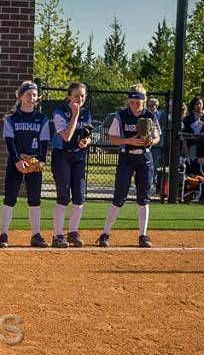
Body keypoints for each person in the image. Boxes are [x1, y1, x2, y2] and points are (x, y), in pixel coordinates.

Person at [97, 83, 160, 248]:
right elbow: (112, 137)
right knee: (119, 197)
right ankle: (105, 234)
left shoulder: (150, 116)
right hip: (126, 157)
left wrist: (150, 141)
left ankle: (143, 235)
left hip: (145, 158)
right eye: (132, 102)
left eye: (138, 102)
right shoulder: (121, 116)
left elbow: (157, 137)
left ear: (144, 101)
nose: (134, 105)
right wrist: (128, 141)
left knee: (143, 198)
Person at [0, 81, 50, 248]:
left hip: (34, 161)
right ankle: (4, 234)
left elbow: (44, 141)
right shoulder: (12, 118)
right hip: (16, 162)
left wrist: (41, 161)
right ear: (20, 97)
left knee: (34, 199)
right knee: (10, 198)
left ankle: (35, 234)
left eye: (34, 95)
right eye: (28, 95)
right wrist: (16, 161)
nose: (32, 98)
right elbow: (9, 141)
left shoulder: (41, 118)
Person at [50, 81, 93, 247]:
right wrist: (75, 115)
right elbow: (66, 137)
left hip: (78, 156)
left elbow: (86, 134)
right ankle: (58, 235)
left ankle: (73, 232)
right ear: (69, 96)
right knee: (63, 196)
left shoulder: (86, 113)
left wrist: (86, 141)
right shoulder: (60, 112)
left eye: (82, 96)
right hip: (62, 155)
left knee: (79, 196)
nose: (80, 99)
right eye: (76, 96)